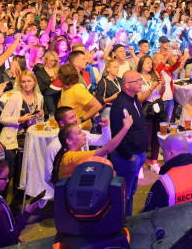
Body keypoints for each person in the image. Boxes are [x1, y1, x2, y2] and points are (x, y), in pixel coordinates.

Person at [141, 133, 192, 212]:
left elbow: (148, 216)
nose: (162, 155)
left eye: (163, 151)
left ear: (171, 153)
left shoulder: (164, 183)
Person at [45, 106, 112, 198]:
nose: (76, 120)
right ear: (62, 123)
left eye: (75, 116)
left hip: (84, 186)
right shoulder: (54, 146)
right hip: (68, 191)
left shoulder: (82, 134)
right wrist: (62, 192)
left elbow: (104, 141)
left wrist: (105, 127)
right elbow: (49, 175)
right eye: (71, 118)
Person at [50, 109, 133, 183]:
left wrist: (105, 127)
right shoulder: (72, 156)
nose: (84, 134)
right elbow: (107, 149)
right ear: (69, 141)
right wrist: (125, 128)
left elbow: (104, 142)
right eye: (79, 133)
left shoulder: (70, 152)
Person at [109, 70, 148, 216]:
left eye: (140, 80)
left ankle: (128, 220)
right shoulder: (119, 105)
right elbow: (117, 135)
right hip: (128, 157)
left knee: (131, 191)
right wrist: (129, 156)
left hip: (138, 153)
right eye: (136, 81)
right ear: (126, 85)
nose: (141, 82)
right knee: (124, 194)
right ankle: (122, 223)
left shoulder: (134, 98)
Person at [57, 63, 102, 131]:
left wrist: (81, 120)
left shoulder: (78, 90)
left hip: (80, 129)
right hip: (69, 128)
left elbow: (97, 105)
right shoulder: (65, 88)